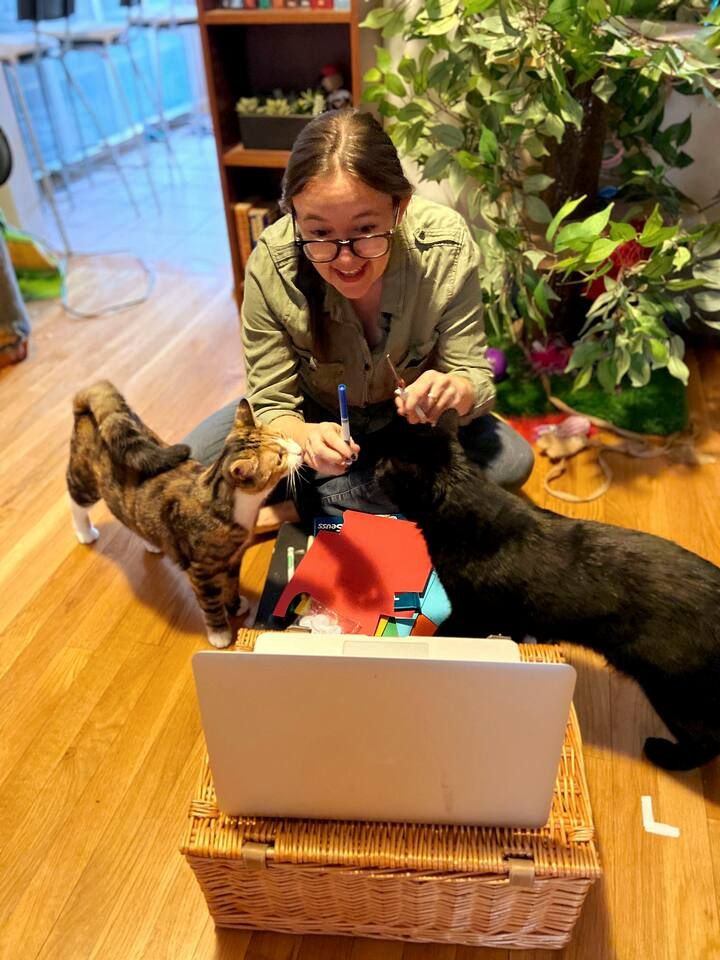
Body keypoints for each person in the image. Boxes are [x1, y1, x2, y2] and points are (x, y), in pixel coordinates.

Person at [184, 109, 534, 520]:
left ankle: (318, 501)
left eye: (366, 230)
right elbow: (273, 403)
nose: (345, 259)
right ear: (293, 216)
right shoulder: (271, 265)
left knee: (512, 462)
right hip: (313, 410)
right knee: (186, 467)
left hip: (409, 425)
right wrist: (305, 438)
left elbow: (472, 374)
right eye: (318, 234)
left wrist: (454, 390)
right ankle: (359, 493)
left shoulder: (445, 248)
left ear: (399, 208)